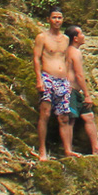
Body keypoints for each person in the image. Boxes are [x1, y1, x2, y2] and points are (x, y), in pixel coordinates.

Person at [64, 24, 98, 155]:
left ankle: (96, 147)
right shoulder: (74, 52)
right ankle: (68, 150)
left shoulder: (70, 51)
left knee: (89, 116)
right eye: (81, 34)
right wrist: (87, 94)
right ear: (75, 38)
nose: (83, 36)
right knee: (70, 119)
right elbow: (79, 75)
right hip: (69, 91)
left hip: (75, 91)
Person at [33, 8, 77, 159]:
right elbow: (36, 59)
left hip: (63, 80)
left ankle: (67, 150)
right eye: (54, 17)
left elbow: (67, 60)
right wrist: (39, 79)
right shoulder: (42, 37)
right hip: (48, 78)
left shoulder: (65, 39)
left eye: (59, 18)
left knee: (64, 116)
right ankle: (42, 150)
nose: (57, 20)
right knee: (45, 113)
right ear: (48, 19)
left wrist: (69, 80)